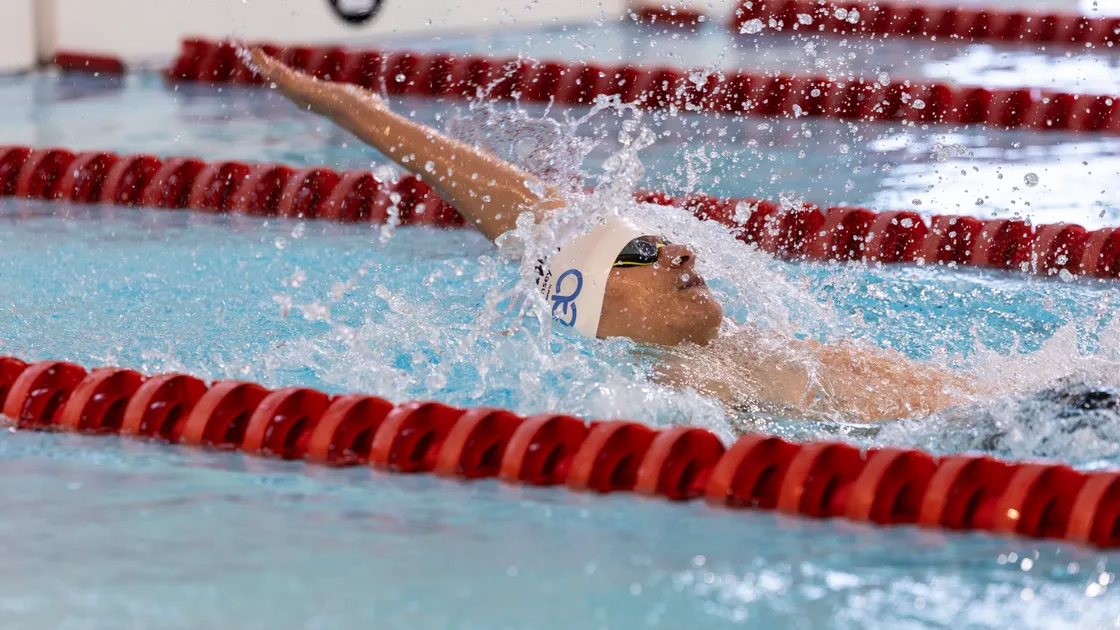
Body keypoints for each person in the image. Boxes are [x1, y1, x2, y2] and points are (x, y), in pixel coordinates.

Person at [248, 48, 975, 423]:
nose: (682, 250)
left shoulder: (746, 350)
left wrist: (360, 114)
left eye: (663, 241)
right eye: (640, 252)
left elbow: (533, 216)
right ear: (590, 307)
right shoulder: (684, 383)